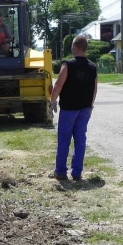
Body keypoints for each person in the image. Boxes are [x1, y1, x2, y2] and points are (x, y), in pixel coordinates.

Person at [48, 35, 97, 181]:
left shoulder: (67, 65)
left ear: (75, 47)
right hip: (85, 109)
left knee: (64, 139)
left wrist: (52, 102)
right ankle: (77, 173)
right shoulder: (92, 67)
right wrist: (91, 105)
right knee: (80, 140)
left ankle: (61, 172)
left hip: (69, 109)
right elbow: (94, 89)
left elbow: (58, 85)